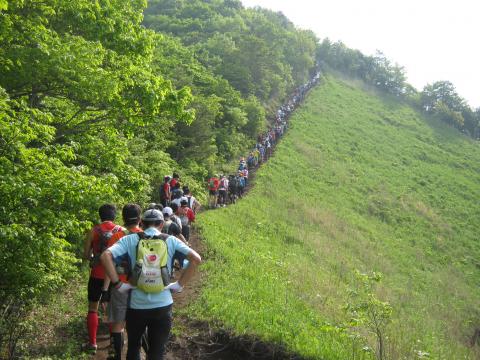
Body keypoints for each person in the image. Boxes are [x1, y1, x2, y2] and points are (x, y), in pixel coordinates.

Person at [101, 209, 201, 360]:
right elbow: (196, 259)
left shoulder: (130, 240)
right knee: (157, 350)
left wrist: (118, 284)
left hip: (136, 305)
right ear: (161, 224)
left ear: (142, 223)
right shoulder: (170, 240)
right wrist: (179, 284)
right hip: (163, 305)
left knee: (134, 346)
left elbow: (105, 256)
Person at [103, 204, 143, 360]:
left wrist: (105, 290)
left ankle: (117, 356)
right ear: (139, 219)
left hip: (120, 285)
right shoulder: (146, 236)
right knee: (138, 324)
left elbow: (109, 265)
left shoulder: (116, 237)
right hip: (140, 286)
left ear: (123, 219)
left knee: (118, 325)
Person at [83, 204, 123, 353]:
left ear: (100, 216)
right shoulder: (120, 231)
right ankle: (114, 343)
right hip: (113, 276)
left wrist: (94, 257)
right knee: (112, 309)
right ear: (114, 216)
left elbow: (86, 255)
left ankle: (92, 344)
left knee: (93, 308)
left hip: (96, 275)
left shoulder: (93, 231)